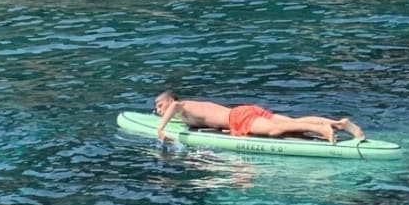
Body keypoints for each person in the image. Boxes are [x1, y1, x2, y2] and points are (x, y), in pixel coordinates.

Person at [154, 90, 365, 144]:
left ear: (170, 101)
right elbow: (175, 113)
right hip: (242, 111)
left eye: (160, 105)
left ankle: (322, 130)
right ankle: (338, 124)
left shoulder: (181, 106)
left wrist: (160, 129)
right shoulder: (185, 113)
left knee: (276, 130)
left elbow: (174, 107)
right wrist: (164, 121)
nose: (158, 110)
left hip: (238, 118)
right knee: (290, 122)